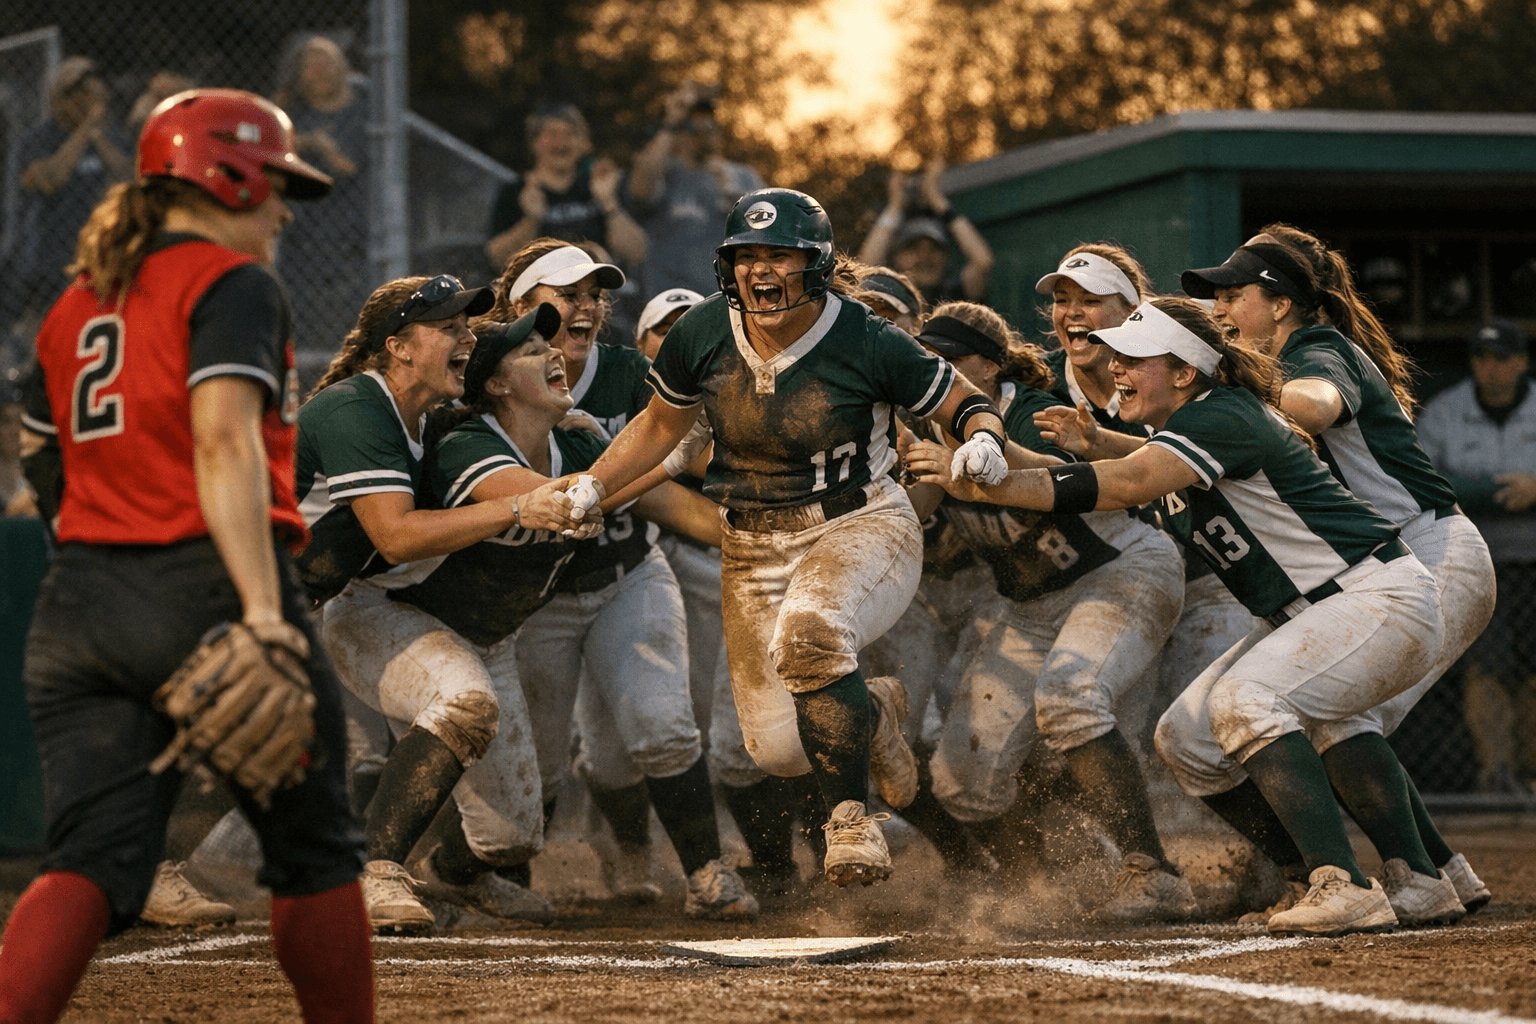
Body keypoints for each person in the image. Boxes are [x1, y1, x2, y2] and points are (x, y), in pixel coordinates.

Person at [1, 88, 372, 1024]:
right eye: (277, 185)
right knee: (317, 854)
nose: (285, 210)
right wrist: (257, 609)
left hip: (79, 605)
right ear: (228, 174)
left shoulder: (73, 304)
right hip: (205, 581)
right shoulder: (232, 283)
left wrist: (99, 548)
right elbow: (222, 442)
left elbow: (40, 455)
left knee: (87, 859)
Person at [907, 297, 1445, 937]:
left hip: (1372, 597)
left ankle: (1342, 881)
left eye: (1135, 359)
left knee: (1248, 700)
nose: (1117, 369)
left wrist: (977, 485)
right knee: (1188, 739)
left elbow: (1127, 484)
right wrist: (1098, 441)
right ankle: (1414, 877)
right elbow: (1130, 463)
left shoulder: (1222, 415)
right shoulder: (1192, 425)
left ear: (1186, 373)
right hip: (1324, 609)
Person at [552, 187, 1012, 887]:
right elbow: (657, 431)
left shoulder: (867, 336)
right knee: (774, 752)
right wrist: (594, 482)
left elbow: (965, 403)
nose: (760, 271)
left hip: (860, 522)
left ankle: (851, 825)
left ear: (817, 265)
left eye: (779, 256)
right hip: (753, 545)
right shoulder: (703, 332)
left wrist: (982, 441)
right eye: (746, 256)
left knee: (812, 636)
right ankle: (875, 709)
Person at [1184, 232, 1495, 924]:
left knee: (1332, 710)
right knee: (1332, 710)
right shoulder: (1285, 353)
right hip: (1386, 558)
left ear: (1284, 302)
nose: (1222, 307)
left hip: (1428, 551)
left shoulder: (1313, 348)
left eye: (1236, 293)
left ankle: (1418, 877)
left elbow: (1318, 404)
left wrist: (1244, 387)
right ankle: (1438, 869)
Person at [296, 273, 585, 934]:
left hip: (321, 596)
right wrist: (516, 506)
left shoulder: (426, 415)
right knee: (229, 735)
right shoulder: (357, 407)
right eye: (450, 326)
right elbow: (394, 537)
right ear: (397, 347)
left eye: (467, 326)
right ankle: (373, 872)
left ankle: (453, 880)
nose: (466, 336)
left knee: (513, 837)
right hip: (262, 594)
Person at [492, 241, 759, 915]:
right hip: (532, 597)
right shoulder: (488, 379)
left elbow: (660, 490)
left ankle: (706, 873)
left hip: (625, 572)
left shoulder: (630, 374)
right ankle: (503, 886)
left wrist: (744, 542)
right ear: (518, 308)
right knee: (540, 759)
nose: (584, 307)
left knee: (663, 726)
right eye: (565, 293)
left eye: (593, 295)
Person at [903, 302, 1193, 921]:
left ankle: (1152, 872)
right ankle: (1040, 891)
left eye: (951, 360)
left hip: (1119, 572)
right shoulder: (926, 425)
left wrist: (986, 460)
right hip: (1032, 606)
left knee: (1071, 696)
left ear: (989, 365)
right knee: (962, 780)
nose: (939, 372)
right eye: (930, 361)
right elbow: (920, 505)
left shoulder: (1029, 410)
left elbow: (1075, 478)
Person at [1417, 317, 1536, 798]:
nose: (1492, 368)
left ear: (1522, 362)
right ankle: (1496, 776)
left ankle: (1528, 775)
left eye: (1503, 358)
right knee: (1485, 669)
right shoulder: (1447, 411)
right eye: (1483, 358)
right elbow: (1420, 478)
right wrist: (1480, 492)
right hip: (1474, 561)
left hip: (1532, 561)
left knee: (1531, 673)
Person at [5, 57, 131, 333]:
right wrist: (85, 129)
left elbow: (129, 176)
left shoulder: (110, 138)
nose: (80, 102)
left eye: (87, 94)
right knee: (54, 335)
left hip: (101, 258)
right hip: (48, 264)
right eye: (71, 95)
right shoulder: (36, 140)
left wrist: (97, 137)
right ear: (56, 100)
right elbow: (51, 179)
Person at [273, 35, 372, 382]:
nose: (320, 73)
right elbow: (269, 148)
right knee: (301, 326)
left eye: (327, 63)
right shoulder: (292, 113)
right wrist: (310, 140)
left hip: (355, 241)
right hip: (302, 241)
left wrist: (319, 146)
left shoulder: (365, 108)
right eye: (310, 67)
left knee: (354, 327)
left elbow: (347, 165)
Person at [628, 81, 764, 297]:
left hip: (727, 303)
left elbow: (768, 233)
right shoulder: (665, 173)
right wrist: (671, 121)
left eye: (710, 124)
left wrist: (734, 196)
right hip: (670, 304)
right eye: (692, 127)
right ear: (679, 135)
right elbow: (640, 191)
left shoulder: (744, 176)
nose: (702, 133)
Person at [485, 104, 646, 273]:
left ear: (584, 144)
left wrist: (609, 203)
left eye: (570, 134)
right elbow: (496, 259)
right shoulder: (515, 192)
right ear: (534, 143)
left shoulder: (598, 187)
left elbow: (637, 253)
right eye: (552, 134)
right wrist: (531, 219)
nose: (561, 142)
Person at [857, 160, 993, 305]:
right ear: (896, 257)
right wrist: (895, 206)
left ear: (946, 258)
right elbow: (865, 269)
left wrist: (936, 199)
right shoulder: (888, 302)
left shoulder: (959, 298)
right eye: (914, 249)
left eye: (934, 249)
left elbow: (983, 262)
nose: (925, 257)